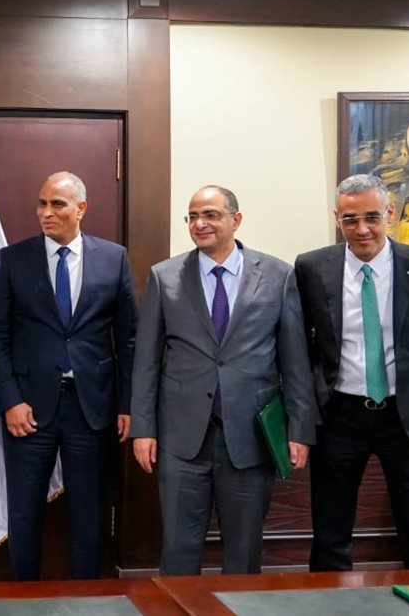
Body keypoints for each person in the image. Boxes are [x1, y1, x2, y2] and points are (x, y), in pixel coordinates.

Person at [130, 185, 316, 575]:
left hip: (250, 438)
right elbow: (146, 361)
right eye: (193, 216)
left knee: (244, 554)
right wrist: (143, 429)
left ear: (236, 219)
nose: (200, 224)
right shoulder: (165, 277)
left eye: (211, 215)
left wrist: (299, 430)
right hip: (182, 439)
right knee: (178, 551)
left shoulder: (277, 275)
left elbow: (295, 361)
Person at [295, 174, 409, 570]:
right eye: (350, 219)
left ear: (390, 213)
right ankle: (330, 602)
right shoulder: (312, 267)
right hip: (339, 416)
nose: (362, 229)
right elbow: (299, 346)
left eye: (371, 217)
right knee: (330, 534)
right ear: (337, 219)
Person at [0, 172, 136, 580]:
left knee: (89, 511)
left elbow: (129, 339)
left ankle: (86, 599)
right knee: (24, 511)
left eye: (57, 204)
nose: (46, 212)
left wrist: (127, 405)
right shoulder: (14, 259)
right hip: (29, 408)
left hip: (92, 407)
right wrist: (11, 400)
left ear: (80, 209)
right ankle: (24, 596)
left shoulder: (114, 258)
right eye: (42, 204)